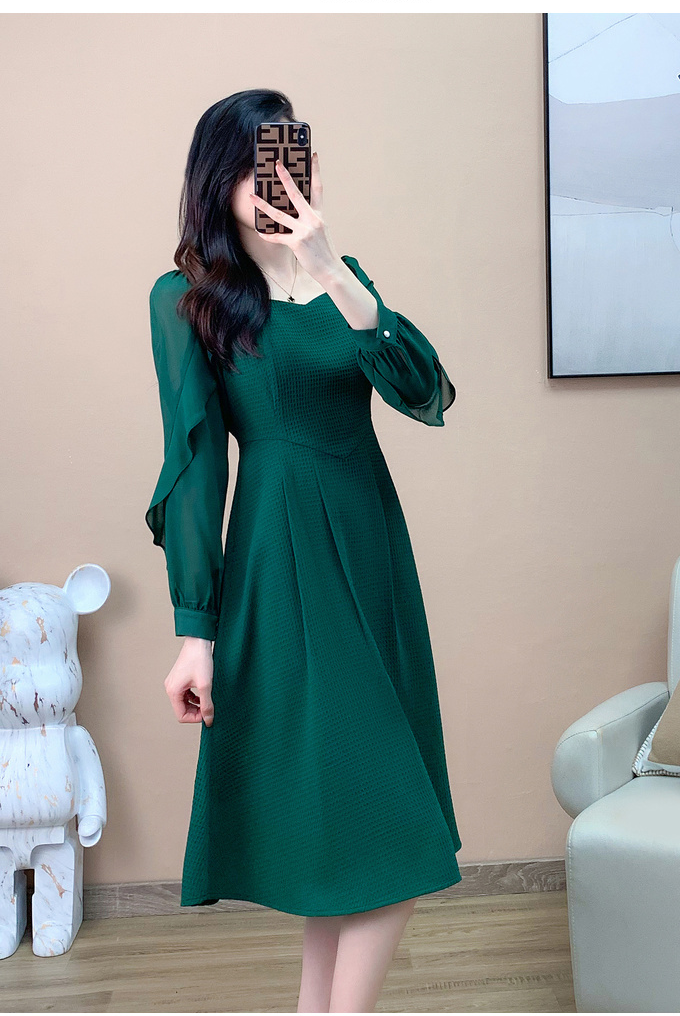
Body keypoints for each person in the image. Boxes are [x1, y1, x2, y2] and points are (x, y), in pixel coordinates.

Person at [145, 88, 462, 1013]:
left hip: (373, 554)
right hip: (281, 560)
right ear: (220, 180)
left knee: (354, 838)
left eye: (294, 157)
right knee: (381, 824)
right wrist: (195, 632)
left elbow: (425, 391)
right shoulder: (188, 299)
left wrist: (325, 264)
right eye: (257, 165)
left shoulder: (342, 276)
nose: (282, 179)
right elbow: (194, 468)